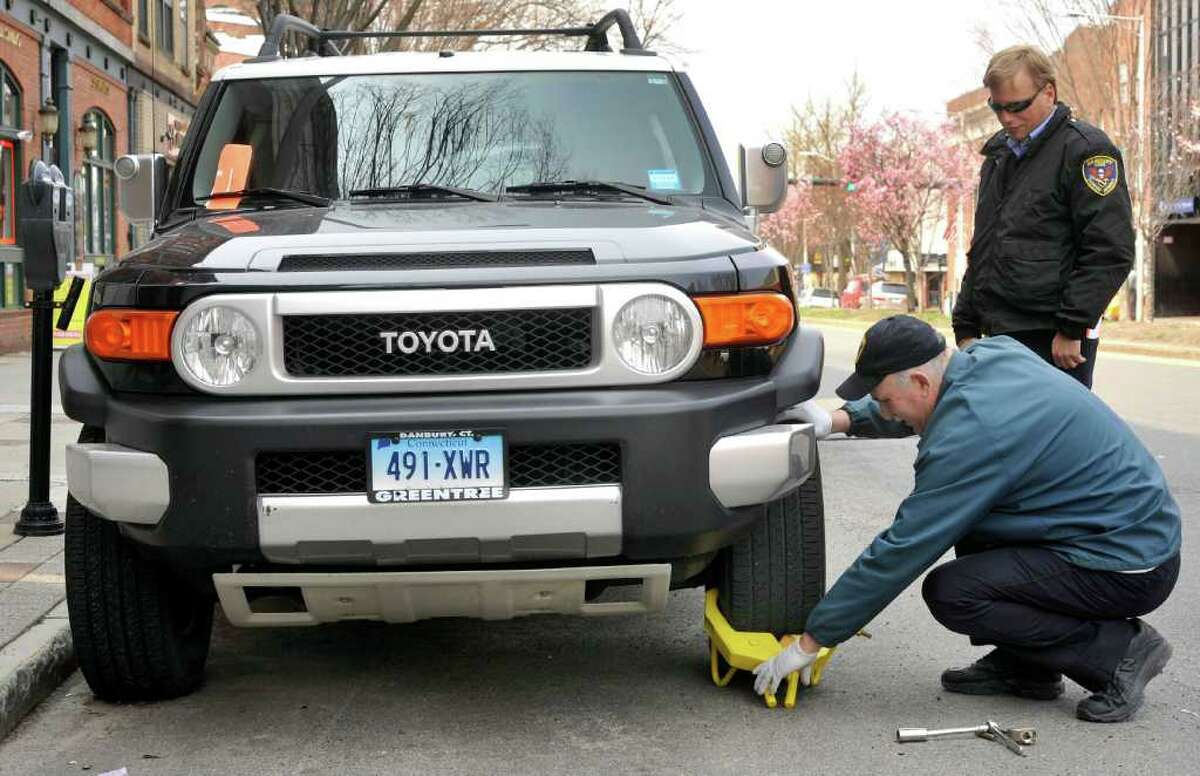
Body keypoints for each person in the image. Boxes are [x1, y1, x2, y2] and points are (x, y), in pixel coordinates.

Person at [756, 316, 1181, 723]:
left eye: (884, 401)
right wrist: (837, 420)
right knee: (978, 527)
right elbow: (936, 404)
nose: (885, 412)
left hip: (1127, 562)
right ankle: (1029, 666)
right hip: (1123, 529)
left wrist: (813, 640)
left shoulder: (974, 434)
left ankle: (1121, 652)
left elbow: (902, 549)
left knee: (954, 593)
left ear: (921, 381)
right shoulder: (990, 356)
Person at [952, 45, 1134, 389]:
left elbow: (1111, 249)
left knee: (1051, 440)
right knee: (1001, 438)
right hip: (997, 332)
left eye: (1017, 106)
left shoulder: (1087, 151)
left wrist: (1071, 327)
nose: (1006, 117)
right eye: (997, 107)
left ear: (1048, 91)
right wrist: (965, 324)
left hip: (1052, 337)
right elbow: (986, 246)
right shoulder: (998, 155)